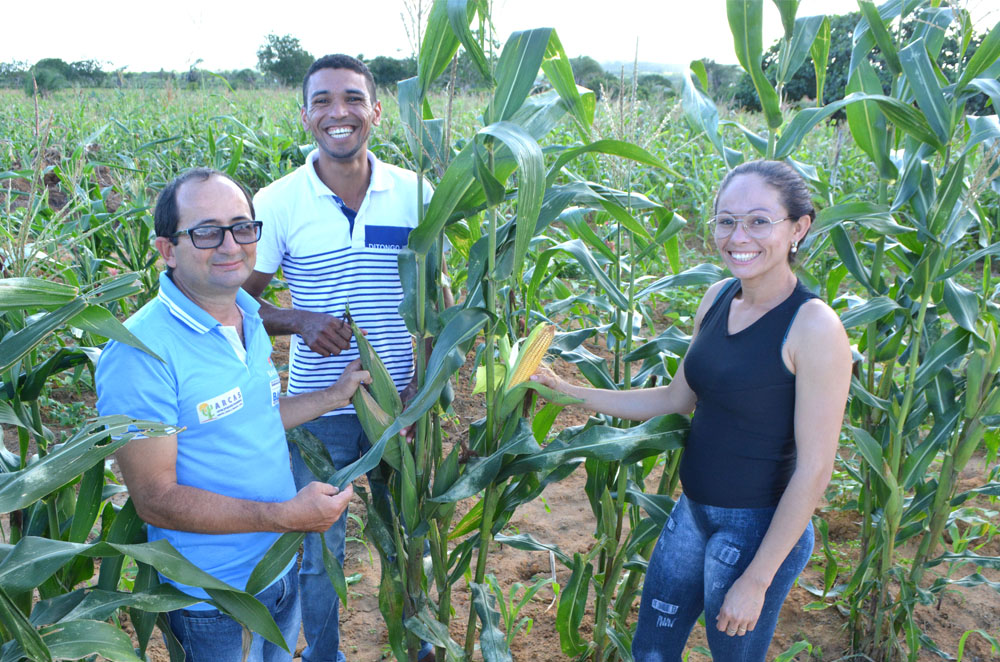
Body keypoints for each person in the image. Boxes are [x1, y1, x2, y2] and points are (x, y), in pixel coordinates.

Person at [533, 160, 852, 661]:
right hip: (693, 512)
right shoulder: (719, 296)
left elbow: (815, 470)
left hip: (756, 531)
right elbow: (674, 400)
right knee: (652, 652)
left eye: (758, 221)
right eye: (726, 220)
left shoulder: (814, 327)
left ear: (799, 227)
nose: (737, 235)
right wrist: (568, 392)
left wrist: (757, 579)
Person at [96, 168, 370, 662]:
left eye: (242, 227)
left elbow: (253, 415)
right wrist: (281, 515)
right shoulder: (140, 352)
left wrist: (334, 396)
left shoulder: (245, 314)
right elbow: (155, 500)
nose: (230, 245)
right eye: (206, 231)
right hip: (215, 597)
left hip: (278, 568)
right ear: (167, 250)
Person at [242, 54, 442, 662]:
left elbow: (440, 302)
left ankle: (421, 645)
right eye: (323, 100)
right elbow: (236, 303)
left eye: (353, 99)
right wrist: (294, 319)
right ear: (305, 116)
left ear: (375, 111)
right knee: (317, 549)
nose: (339, 112)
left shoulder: (415, 192)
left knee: (412, 536)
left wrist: (425, 389)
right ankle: (322, 654)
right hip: (317, 409)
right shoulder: (276, 202)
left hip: (401, 406)